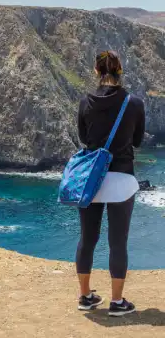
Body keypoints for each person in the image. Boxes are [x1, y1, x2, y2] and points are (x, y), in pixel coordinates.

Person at [76, 50, 145, 316]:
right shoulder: (134, 102)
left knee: (87, 239)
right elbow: (138, 141)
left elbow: (84, 138)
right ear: (120, 70)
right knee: (118, 242)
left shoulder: (85, 102)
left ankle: (85, 296)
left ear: (96, 70)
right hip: (122, 178)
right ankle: (117, 302)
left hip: (91, 180)